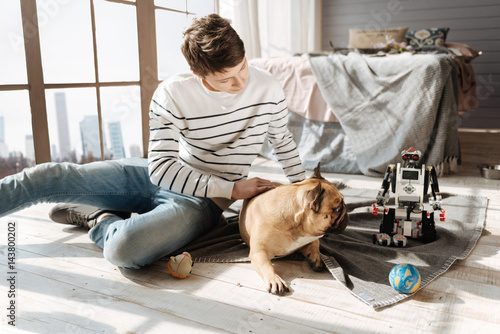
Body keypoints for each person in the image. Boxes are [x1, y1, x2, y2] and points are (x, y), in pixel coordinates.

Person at [0, 14, 305, 269]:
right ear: (198, 74)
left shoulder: (268, 87)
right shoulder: (172, 92)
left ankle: (98, 218)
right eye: (226, 79)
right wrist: (235, 189)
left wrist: (306, 191)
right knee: (51, 176)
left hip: (203, 201)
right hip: (155, 174)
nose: (241, 83)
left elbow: (282, 141)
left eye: (242, 68)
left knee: (124, 249)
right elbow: (160, 169)